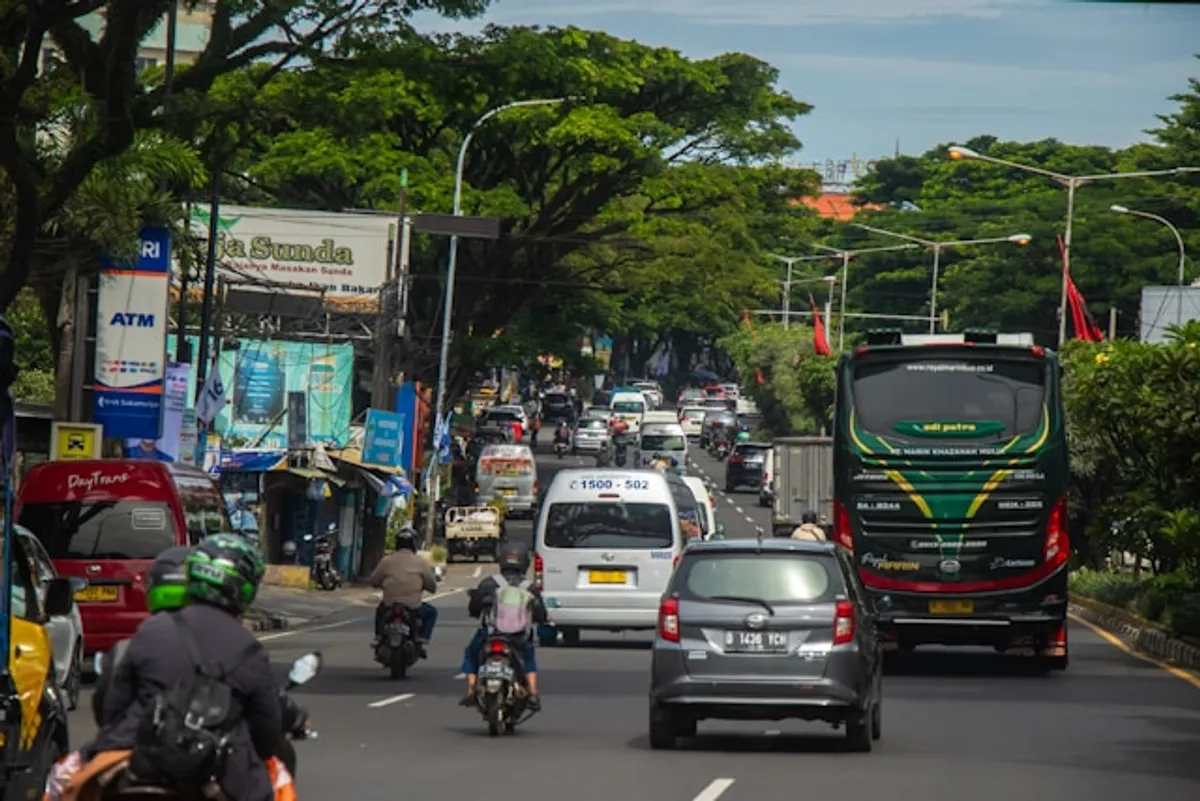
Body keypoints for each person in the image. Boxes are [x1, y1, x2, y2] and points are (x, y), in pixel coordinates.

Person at [90, 534, 281, 801]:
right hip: (219, 775)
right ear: (244, 589)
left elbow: (113, 710)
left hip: (138, 764)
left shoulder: (150, 630)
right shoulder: (249, 649)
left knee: (67, 784)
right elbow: (266, 735)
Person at [459, 540, 547, 710]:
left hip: (491, 635)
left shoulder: (489, 583)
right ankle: (533, 692)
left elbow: (475, 606)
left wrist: (476, 610)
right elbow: (539, 613)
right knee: (528, 659)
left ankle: (471, 690)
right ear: (524, 562)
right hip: (519, 637)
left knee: (471, 654)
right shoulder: (529, 587)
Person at [368, 524, 439, 654]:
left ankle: (379, 636)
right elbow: (432, 585)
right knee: (432, 612)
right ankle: (422, 639)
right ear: (414, 544)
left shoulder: (387, 560)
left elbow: (374, 580)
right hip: (414, 606)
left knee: (380, 611)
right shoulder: (420, 562)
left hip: (389, 604)